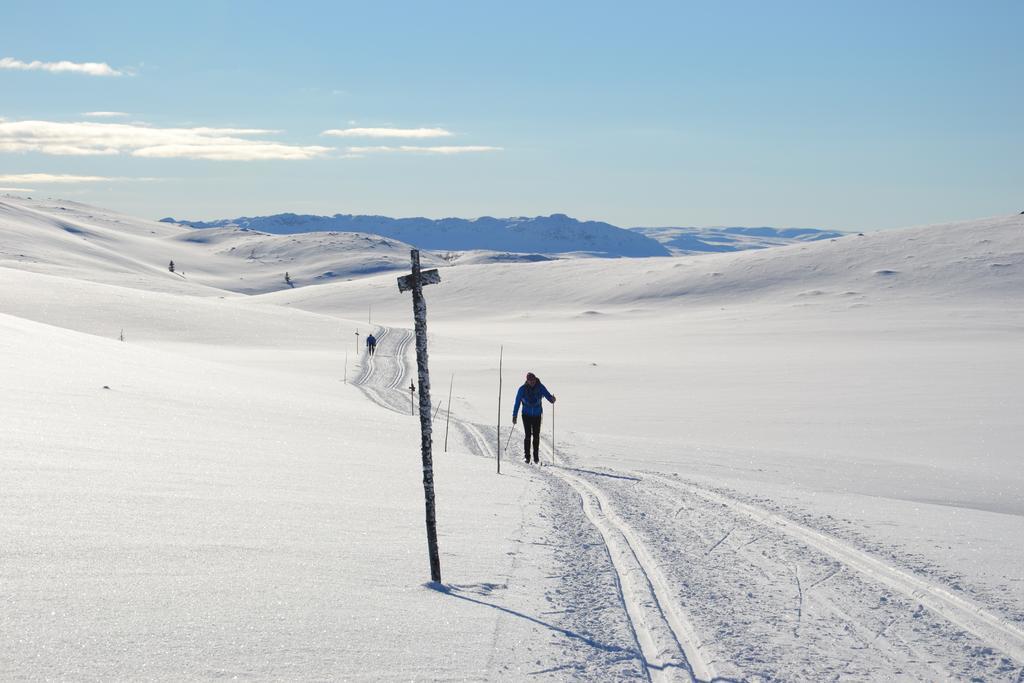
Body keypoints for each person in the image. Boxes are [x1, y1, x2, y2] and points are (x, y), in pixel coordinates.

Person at [512, 372, 556, 464]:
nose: (532, 382)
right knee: (528, 435)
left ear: (535, 379)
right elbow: (517, 403)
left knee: (536, 435)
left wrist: (552, 399)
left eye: (533, 380)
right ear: (527, 381)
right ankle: (527, 457)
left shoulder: (540, 387)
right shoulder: (522, 389)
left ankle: (536, 457)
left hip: (537, 415)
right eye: (530, 380)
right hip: (526, 415)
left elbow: (548, 396)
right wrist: (514, 415)